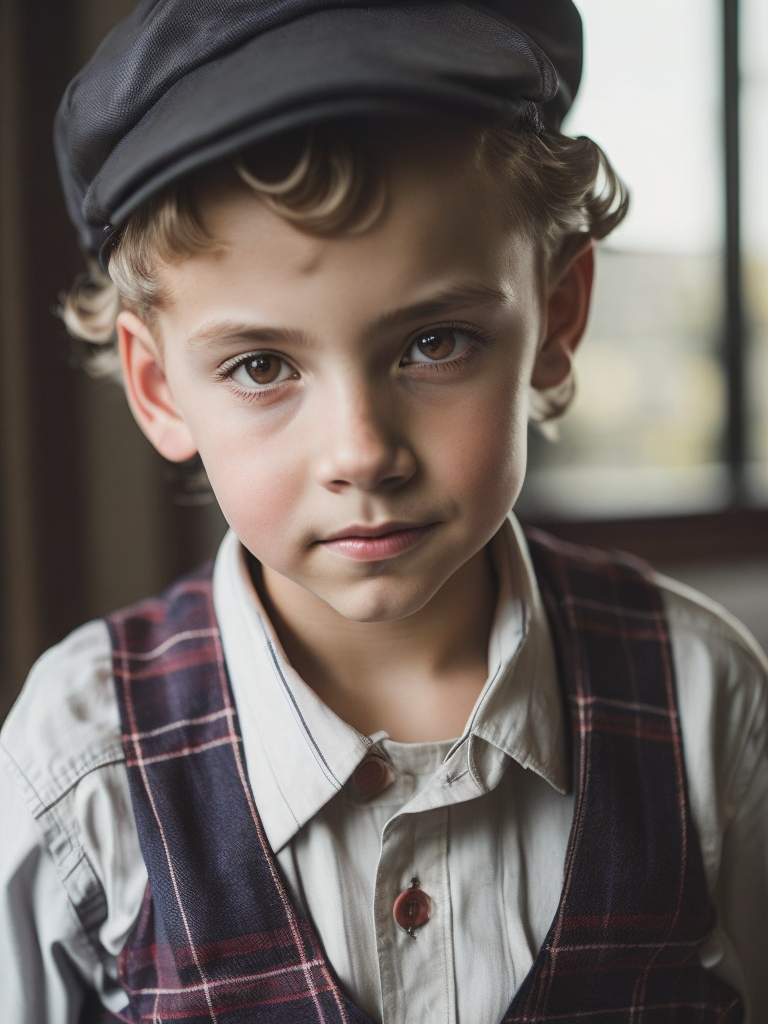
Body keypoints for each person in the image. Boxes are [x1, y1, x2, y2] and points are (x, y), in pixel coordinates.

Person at [1, 1, 766, 1021]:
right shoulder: (76, 762)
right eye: (263, 365)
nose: (362, 451)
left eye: (435, 343)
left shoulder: (706, 699)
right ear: (157, 387)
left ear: (558, 316)